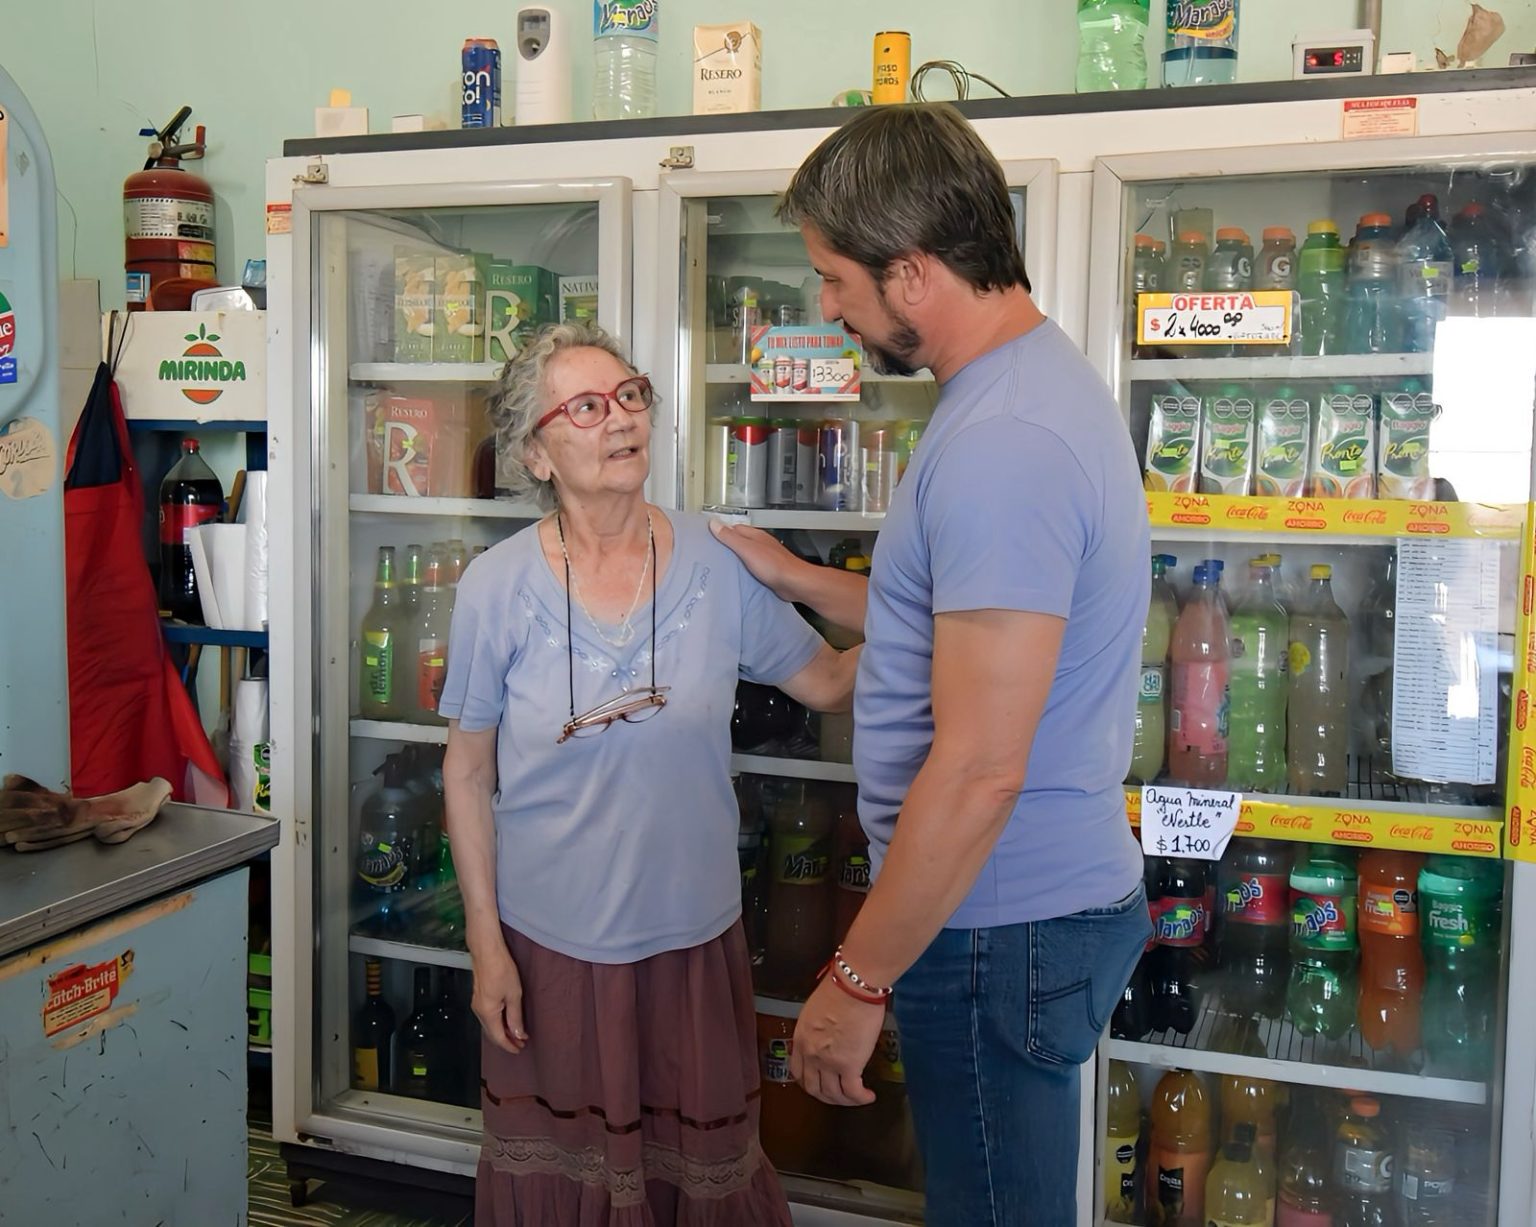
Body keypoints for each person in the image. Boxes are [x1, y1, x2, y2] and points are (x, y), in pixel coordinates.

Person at [712, 102, 1152, 1225]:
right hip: (1025, 903)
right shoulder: (1024, 390)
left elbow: (979, 770)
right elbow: (955, 628)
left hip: (1000, 915)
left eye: (835, 280)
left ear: (910, 273)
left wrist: (853, 982)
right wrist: (797, 578)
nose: (829, 307)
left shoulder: (1004, 447)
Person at [439, 321, 857, 1224]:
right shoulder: (495, 587)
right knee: (567, 1175)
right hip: (548, 942)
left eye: (631, 395)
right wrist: (486, 944)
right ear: (535, 452)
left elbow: (825, 679)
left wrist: (957, 630)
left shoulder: (717, 557)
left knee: (695, 1174)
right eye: (586, 407)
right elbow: (467, 771)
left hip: (688, 938)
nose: (621, 419)